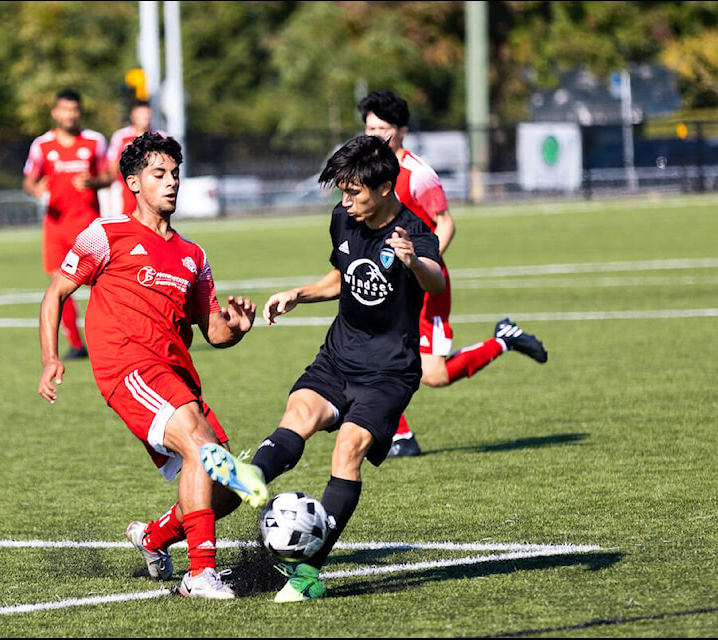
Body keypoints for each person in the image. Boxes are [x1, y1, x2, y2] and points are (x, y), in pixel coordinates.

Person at [200, 134, 445, 602]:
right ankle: (252, 476)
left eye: (354, 192)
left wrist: (414, 263)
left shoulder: (414, 230)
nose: (345, 200)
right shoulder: (342, 219)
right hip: (338, 356)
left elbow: (434, 277)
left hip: (388, 371)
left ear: (386, 187)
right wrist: (298, 294)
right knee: (298, 416)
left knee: (347, 451)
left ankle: (307, 573)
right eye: (342, 191)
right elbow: (342, 274)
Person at [37, 131, 267, 599]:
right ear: (133, 183)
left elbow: (214, 332)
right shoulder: (106, 235)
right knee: (203, 452)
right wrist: (50, 357)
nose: (171, 183)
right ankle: (201, 573)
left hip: (178, 379)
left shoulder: (193, 256)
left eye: (176, 175)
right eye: (159, 174)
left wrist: (237, 326)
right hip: (129, 371)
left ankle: (154, 536)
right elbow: (55, 293)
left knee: (225, 490)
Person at [358, 90, 548, 457]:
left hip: (424, 283)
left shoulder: (417, 174)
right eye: (370, 127)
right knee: (371, 347)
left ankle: (503, 340)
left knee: (435, 375)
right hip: (385, 281)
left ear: (402, 130)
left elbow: (445, 225)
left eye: (383, 128)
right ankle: (399, 437)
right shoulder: (367, 169)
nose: (376, 135)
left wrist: (420, 262)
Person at [23, 88, 111, 360]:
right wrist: (36, 189)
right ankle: (76, 343)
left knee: (103, 284)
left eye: (74, 110)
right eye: (64, 110)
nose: (69, 115)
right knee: (59, 285)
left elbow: (109, 175)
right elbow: (28, 179)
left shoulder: (95, 141)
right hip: (56, 228)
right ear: (55, 112)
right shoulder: (42, 145)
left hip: (89, 227)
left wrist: (93, 182)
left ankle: (110, 338)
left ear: (80, 112)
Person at [106, 99, 165, 217]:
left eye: (147, 113)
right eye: (141, 114)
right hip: (125, 194)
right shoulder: (121, 137)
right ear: (132, 116)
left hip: (151, 192)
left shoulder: (160, 137)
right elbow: (112, 167)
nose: (145, 117)